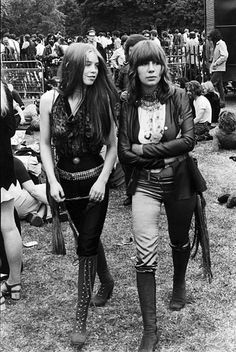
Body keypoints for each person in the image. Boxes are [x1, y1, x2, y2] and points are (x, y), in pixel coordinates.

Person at [118, 40, 197, 352]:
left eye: (155, 63)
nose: (150, 69)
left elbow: (189, 140)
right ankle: (150, 330)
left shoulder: (178, 95)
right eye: (143, 64)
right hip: (145, 185)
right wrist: (161, 154)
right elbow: (125, 152)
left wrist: (144, 150)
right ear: (134, 69)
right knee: (144, 253)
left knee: (179, 239)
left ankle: (179, 286)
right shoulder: (126, 102)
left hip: (180, 180)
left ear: (163, 66)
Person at [39, 42, 118, 348]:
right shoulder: (49, 100)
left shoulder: (102, 99)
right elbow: (45, 143)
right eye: (87, 64)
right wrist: (51, 177)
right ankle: (107, 280)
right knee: (86, 236)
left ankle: (80, 318)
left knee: (85, 244)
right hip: (64, 185)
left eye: (97, 65)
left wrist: (102, 180)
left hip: (94, 183)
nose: (93, 70)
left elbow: (112, 147)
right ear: (71, 65)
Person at [0, 81, 23, 311]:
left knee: (7, 226)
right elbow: (11, 129)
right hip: (3, 165)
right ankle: (14, 284)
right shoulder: (3, 88)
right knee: (8, 226)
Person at [208, 29, 228, 108]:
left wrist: (217, 63)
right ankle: (222, 102)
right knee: (220, 86)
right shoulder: (216, 44)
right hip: (216, 68)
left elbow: (225, 55)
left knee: (210, 84)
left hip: (219, 68)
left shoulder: (221, 44)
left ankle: (213, 101)